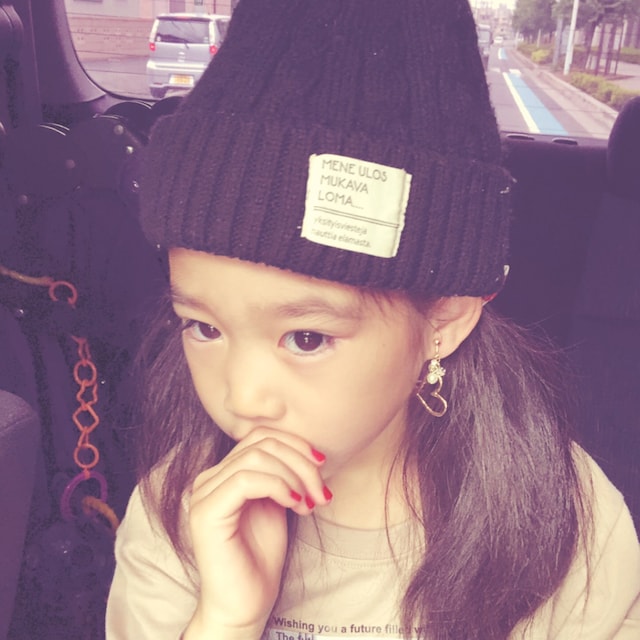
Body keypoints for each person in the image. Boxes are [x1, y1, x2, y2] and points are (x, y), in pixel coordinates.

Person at [105, 1, 640, 639]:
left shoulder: (562, 521)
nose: (242, 397)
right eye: (204, 327)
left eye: (306, 338)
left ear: (444, 320)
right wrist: (227, 619)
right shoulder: (180, 509)